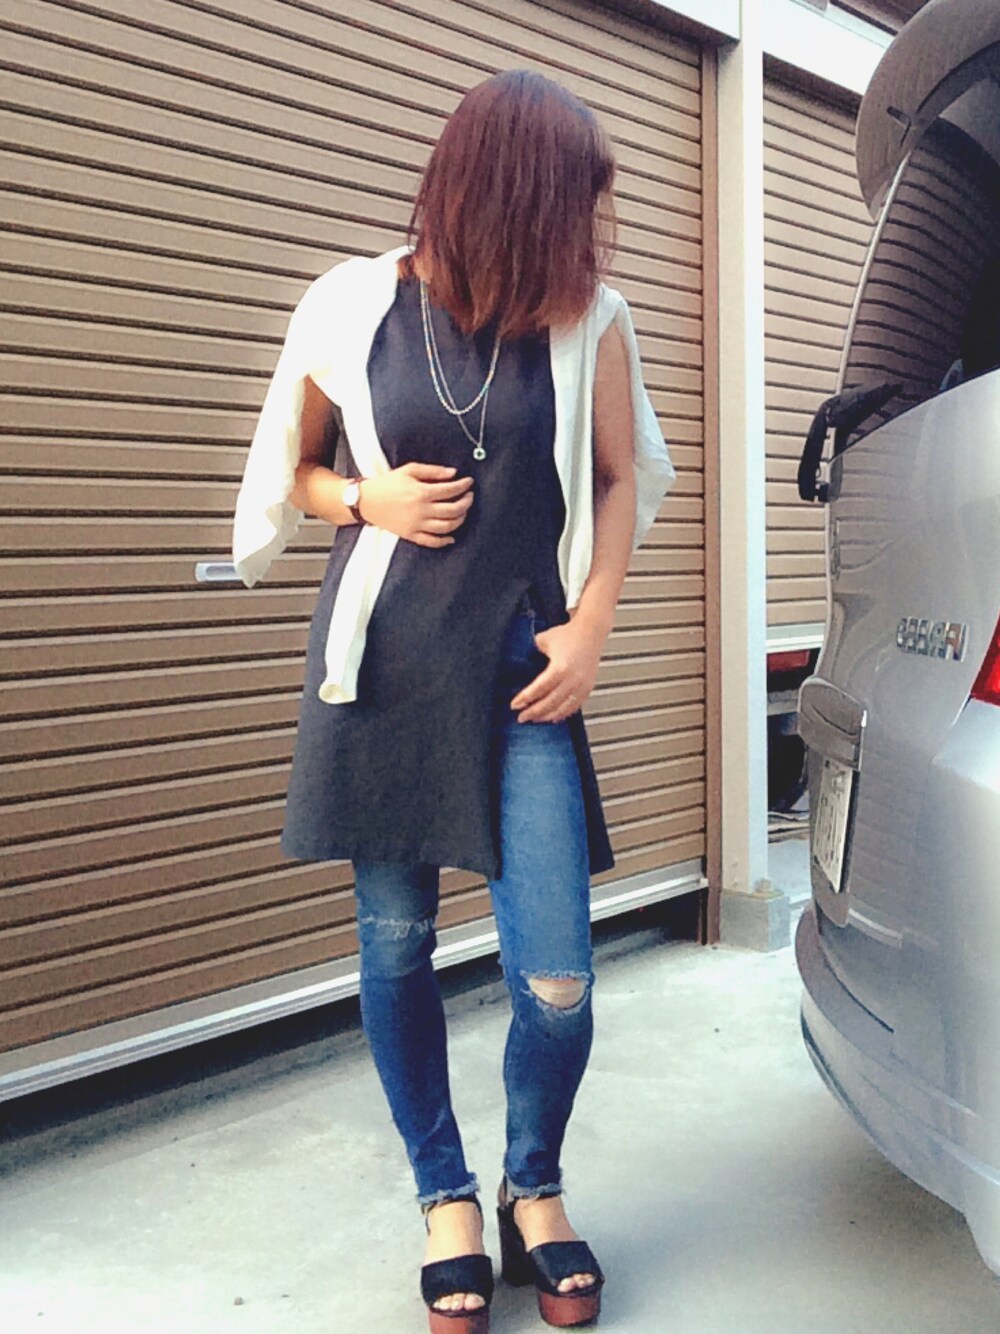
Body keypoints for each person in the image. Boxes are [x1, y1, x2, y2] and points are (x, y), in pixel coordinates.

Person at [233, 68, 674, 1334]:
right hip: (383, 669)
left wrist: (593, 623)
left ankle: (533, 1180)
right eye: (575, 200)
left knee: (559, 978)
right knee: (394, 942)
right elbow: (295, 467)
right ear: (511, 190)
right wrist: (361, 498)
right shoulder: (353, 302)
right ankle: (446, 1198)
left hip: (524, 673)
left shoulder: (590, 316)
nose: (590, 228)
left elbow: (619, 474)